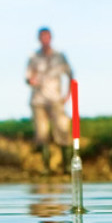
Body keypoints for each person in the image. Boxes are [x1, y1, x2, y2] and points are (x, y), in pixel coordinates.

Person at [25, 27, 73, 173]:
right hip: (38, 100)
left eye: (47, 37)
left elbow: (71, 75)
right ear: (39, 39)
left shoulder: (60, 56)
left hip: (56, 99)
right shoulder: (33, 57)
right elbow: (27, 77)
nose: (45, 40)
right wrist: (31, 81)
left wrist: (68, 95)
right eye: (42, 37)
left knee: (63, 130)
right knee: (42, 134)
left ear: (51, 38)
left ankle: (67, 167)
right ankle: (46, 168)